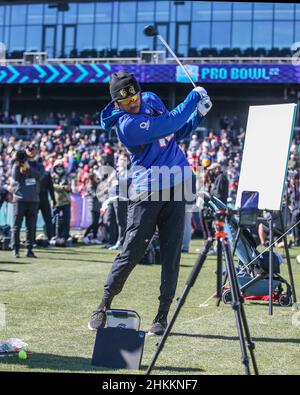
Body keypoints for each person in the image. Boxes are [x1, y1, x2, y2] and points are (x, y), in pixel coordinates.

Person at [88, 70, 212, 335]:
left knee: (171, 253)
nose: (132, 102)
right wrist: (193, 98)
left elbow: (173, 134)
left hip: (178, 184)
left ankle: (162, 315)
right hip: (148, 190)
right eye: (125, 100)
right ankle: (103, 305)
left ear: (138, 91)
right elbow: (166, 125)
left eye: (134, 95)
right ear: (116, 103)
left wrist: (198, 114)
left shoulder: (152, 98)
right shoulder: (126, 126)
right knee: (132, 250)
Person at [11, 149, 42, 258]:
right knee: (17, 226)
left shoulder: (36, 164)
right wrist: (17, 163)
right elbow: (15, 177)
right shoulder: (16, 166)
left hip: (33, 200)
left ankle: (29, 249)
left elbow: (39, 176)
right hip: (20, 200)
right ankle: (15, 249)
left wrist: (29, 168)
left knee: (31, 227)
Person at [52, 159, 72, 241]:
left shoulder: (67, 176)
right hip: (56, 201)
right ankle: (52, 235)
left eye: (61, 166)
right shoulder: (52, 176)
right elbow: (52, 185)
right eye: (58, 166)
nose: (59, 168)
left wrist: (68, 188)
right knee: (53, 220)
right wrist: (63, 187)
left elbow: (70, 187)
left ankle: (66, 235)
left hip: (66, 201)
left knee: (66, 220)